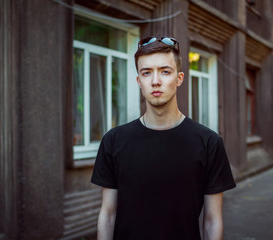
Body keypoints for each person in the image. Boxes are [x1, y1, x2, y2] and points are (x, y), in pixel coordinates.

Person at [91, 36, 236, 240]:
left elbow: (212, 221)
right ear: (138, 81)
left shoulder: (208, 143)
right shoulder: (114, 141)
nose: (156, 81)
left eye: (165, 71)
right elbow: (108, 215)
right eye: (147, 73)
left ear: (179, 78)